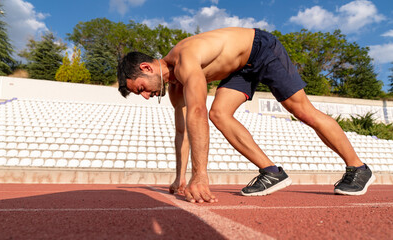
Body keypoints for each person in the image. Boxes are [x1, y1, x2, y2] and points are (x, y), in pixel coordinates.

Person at [117, 27, 376, 203]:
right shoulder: (174, 88)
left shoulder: (185, 59)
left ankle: (358, 167)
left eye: (141, 88)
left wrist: (201, 175)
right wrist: (180, 178)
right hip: (240, 69)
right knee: (220, 114)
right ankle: (271, 172)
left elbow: (197, 111)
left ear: (146, 67)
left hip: (261, 49)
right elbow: (182, 131)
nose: (146, 96)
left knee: (301, 110)